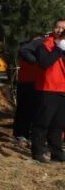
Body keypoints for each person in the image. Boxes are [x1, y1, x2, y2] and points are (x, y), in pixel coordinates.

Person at [30, 18, 65, 163]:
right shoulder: (44, 45)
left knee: (58, 124)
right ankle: (37, 151)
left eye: (63, 28)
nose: (60, 30)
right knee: (42, 122)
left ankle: (56, 152)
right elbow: (45, 63)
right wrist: (58, 49)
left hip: (62, 89)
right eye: (57, 27)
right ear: (53, 28)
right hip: (48, 88)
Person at [14, 33, 46, 149]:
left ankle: (26, 136)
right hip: (27, 83)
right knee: (25, 110)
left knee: (31, 111)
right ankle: (21, 136)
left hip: (34, 83)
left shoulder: (31, 49)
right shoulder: (26, 49)